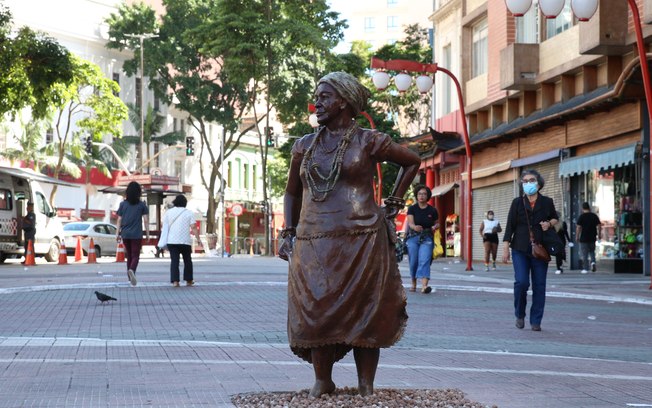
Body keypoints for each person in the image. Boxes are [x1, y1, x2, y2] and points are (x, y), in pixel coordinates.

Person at [278, 72, 420, 397]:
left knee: (366, 311)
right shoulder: (304, 145)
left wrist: (393, 204)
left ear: (343, 100)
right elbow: (292, 193)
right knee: (315, 311)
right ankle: (322, 379)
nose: (318, 103)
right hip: (314, 240)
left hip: (363, 238)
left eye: (325, 97)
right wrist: (288, 230)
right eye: (317, 96)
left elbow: (411, 161)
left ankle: (366, 384)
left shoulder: (368, 140)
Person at [502, 169, 558, 332]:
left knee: (539, 285)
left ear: (538, 183)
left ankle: (536, 320)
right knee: (521, 282)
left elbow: (555, 217)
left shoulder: (547, 201)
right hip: (519, 248)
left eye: (531, 180)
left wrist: (549, 224)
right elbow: (509, 226)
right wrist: (505, 247)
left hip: (540, 249)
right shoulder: (517, 202)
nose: (528, 183)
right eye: (524, 181)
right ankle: (519, 314)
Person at [405, 185, 439, 293]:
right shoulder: (412, 208)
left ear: (428, 196)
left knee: (425, 259)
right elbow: (410, 223)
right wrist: (414, 227)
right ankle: (413, 283)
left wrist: (435, 227)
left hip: (427, 237)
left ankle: (424, 286)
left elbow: (437, 223)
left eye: (424, 194)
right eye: (419, 194)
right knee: (414, 260)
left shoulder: (432, 210)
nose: (422, 196)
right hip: (413, 237)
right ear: (416, 195)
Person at [115, 181, 150, 287]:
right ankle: (132, 270)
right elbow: (146, 220)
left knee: (129, 255)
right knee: (136, 255)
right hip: (136, 234)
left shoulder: (122, 204)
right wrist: (147, 234)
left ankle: (130, 278)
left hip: (125, 234)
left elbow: (119, 220)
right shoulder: (142, 205)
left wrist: (117, 234)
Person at [162, 195, 200, 287]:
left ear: (175, 202)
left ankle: (175, 281)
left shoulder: (168, 212)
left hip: (172, 241)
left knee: (174, 261)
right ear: (185, 203)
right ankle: (189, 280)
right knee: (187, 260)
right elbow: (193, 227)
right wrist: (198, 239)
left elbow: (165, 226)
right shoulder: (189, 213)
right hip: (185, 241)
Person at [576, 202, 602, 274]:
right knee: (592, 251)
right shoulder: (594, 216)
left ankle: (585, 268)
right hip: (592, 237)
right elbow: (599, 225)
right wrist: (599, 234)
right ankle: (593, 263)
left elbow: (578, 227)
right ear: (589, 208)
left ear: (582, 208)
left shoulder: (581, 217)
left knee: (585, 254)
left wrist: (577, 236)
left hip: (584, 238)